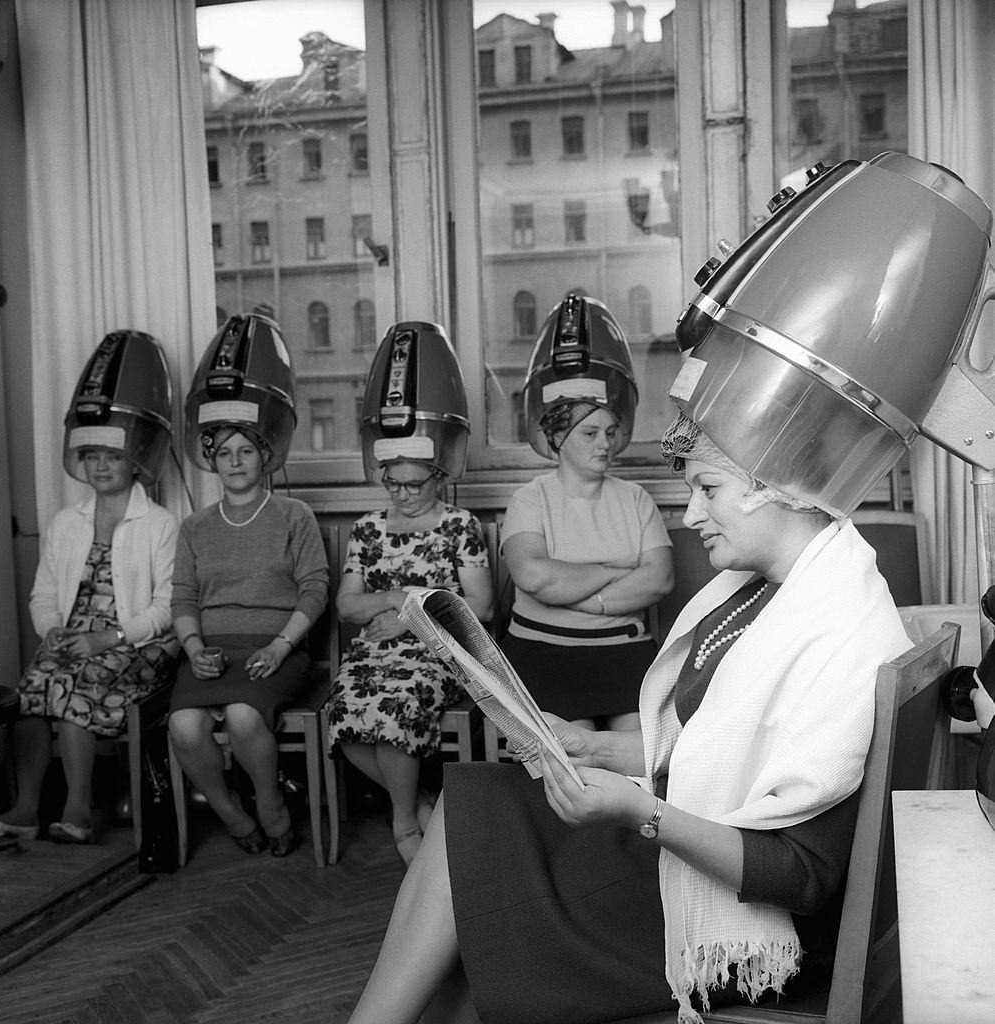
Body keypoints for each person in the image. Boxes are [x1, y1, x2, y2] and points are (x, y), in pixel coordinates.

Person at [345, 411, 912, 1024]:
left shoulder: (837, 634)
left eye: (709, 489)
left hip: (745, 919)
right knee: (475, 814)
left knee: (476, 851)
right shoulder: (775, 590)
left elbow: (801, 875)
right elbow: (713, 748)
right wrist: (598, 751)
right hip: (684, 839)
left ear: (783, 489)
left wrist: (637, 812)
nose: (692, 514)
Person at [0, 447, 178, 845]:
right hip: (75, 641)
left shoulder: (160, 523)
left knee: (76, 683)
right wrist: (51, 629)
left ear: (134, 463)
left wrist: (109, 638)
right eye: (91, 457)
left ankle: (78, 809)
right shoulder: (66, 522)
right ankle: (26, 810)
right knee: (31, 689)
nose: (101, 466)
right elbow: (44, 595)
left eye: (113, 457)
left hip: (138, 643)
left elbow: (167, 607)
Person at [166, 424, 329, 858]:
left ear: (265, 457)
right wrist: (194, 649)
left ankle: (270, 802)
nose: (235, 461)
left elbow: (315, 589)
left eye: (245, 451)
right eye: (224, 454)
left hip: (278, 647)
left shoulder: (294, 515)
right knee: (183, 727)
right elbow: (182, 597)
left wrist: (280, 646)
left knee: (242, 715)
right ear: (212, 462)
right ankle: (230, 812)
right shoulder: (194, 527)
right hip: (212, 652)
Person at [326, 457, 494, 866]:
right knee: (343, 714)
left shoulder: (460, 525)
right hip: (373, 649)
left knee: (396, 708)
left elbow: (481, 606)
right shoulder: (367, 528)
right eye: (392, 484)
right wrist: (389, 598)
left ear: (438, 477)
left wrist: (410, 618)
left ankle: (403, 825)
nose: (402, 494)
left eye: (414, 485)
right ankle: (421, 803)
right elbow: (346, 605)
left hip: (440, 647)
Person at [501, 398, 674, 730]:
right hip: (544, 651)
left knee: (639, 751)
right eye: (590, 433)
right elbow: (535, 578)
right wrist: (614, 572)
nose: (605, 444)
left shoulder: (636, 498)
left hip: (622, 650)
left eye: (610, 433)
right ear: (559, 440)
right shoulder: (529, 498)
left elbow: (660, 579)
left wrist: (577, 596)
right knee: (577, 757)